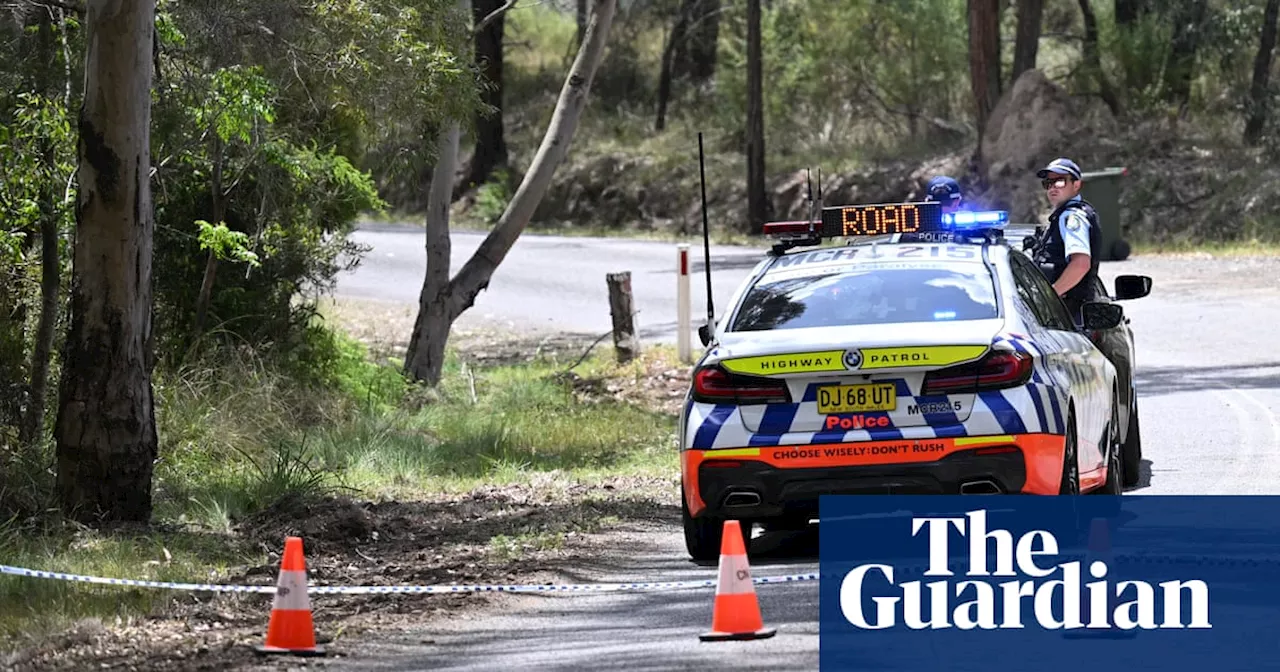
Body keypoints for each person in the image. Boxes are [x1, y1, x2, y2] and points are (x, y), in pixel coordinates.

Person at [1030, 158, 1105, 325]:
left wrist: (1050, 296)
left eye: (1060, 181)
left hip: (1068, 312)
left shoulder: (1071, 217)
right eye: (1048, 183)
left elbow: (1080, 264)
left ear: (1076, 185)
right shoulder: (1064, 215)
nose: (1053, 187)